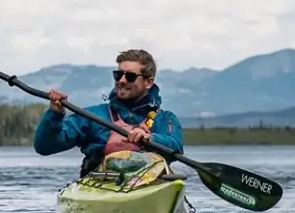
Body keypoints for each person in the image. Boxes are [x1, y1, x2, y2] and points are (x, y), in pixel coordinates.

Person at [33, 48, 183, 177]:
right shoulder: (92, 116)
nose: (122, 81)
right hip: (99, 185)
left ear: (149, 82)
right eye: (118, 75)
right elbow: (45, 147)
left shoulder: (165, 119)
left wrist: (151, 139)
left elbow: (176, 146)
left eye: (130, 76)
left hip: (149, 186)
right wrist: (55, 114)